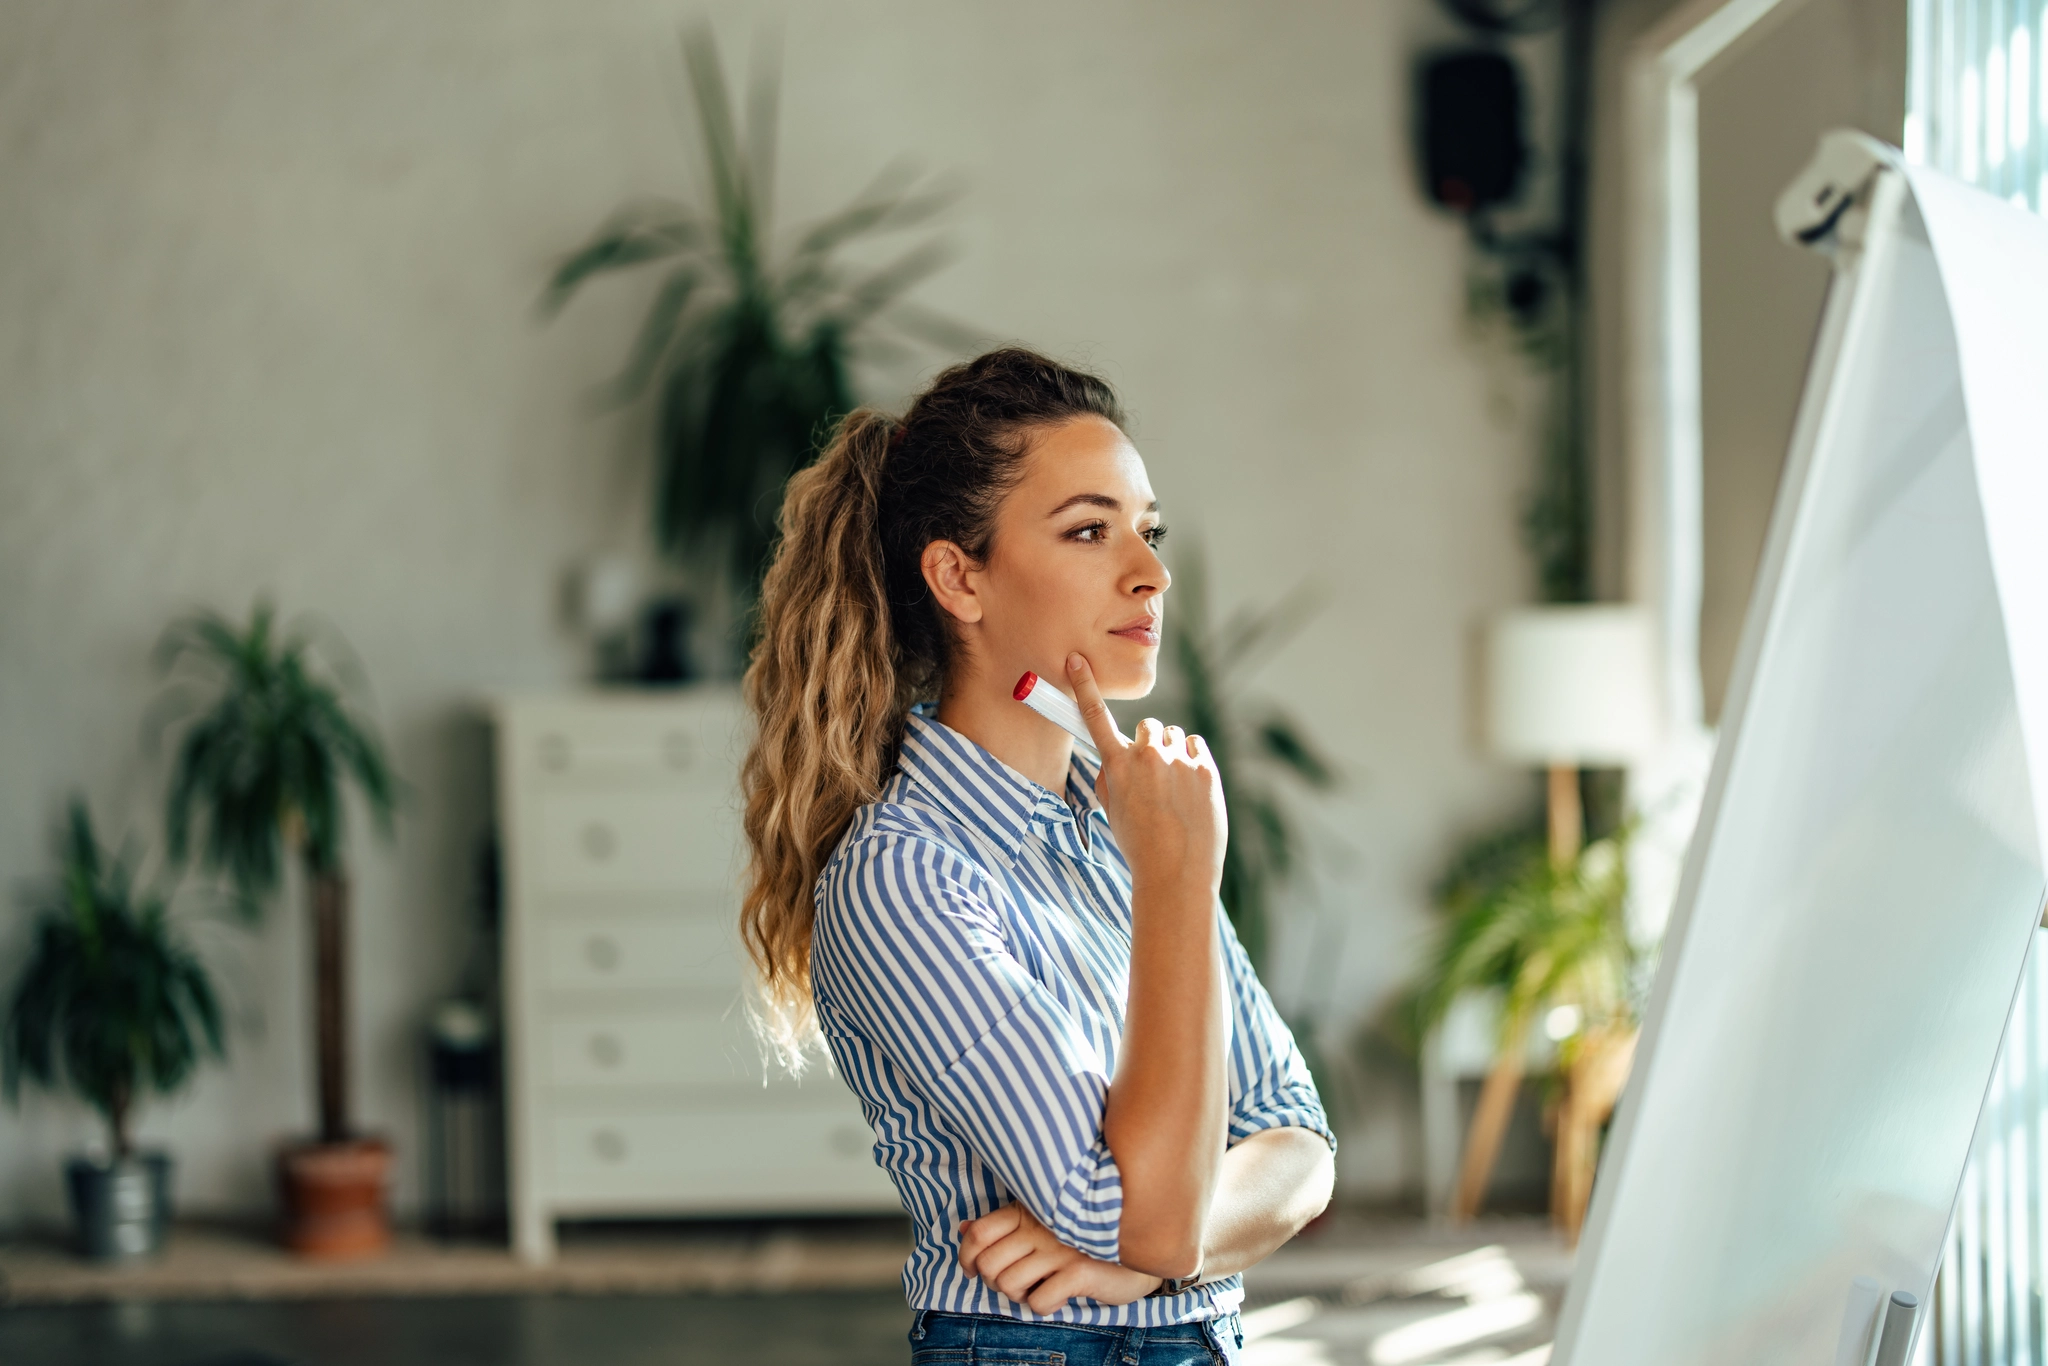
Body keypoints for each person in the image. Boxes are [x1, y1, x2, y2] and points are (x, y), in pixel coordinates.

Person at [739, 347, 1335, 1365]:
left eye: (1145, 532)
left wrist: (1148, 1258)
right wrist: (1180, 878)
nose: (1147, 572)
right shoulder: (905, 875)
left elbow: (1298, 1142)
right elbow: (1132, 1205)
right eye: (1089, 531)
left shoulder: (1126, 828)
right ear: (958, 576)